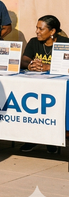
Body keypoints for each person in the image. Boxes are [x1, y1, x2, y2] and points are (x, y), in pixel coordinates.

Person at [20, 15, 66, 153]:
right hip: (36, 87)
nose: (37, 31)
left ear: (52, 31)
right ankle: (33, 139)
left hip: (58, 87)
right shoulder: (34, 42)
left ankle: (52, 141)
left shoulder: (65, 43)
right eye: (36, 28)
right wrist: (30, 66)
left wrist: (48, 67)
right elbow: (24, 61)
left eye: (41, 29)